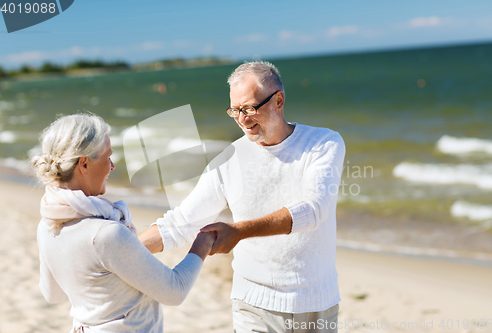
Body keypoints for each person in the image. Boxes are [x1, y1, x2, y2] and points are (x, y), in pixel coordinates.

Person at [139, 61, 346, 333]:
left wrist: (239, 231)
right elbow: (181, 223)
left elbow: (314, 210)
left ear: (279, 100)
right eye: (235, 110)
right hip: (253, 305)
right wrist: (117, 249)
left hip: (318, 305)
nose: (242, 119)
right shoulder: (227, 161)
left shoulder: (323, 144)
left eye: (249, 108)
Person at [32, 114, 216, 333]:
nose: (112, 166)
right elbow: (175, 291)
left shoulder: (47, 226)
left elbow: (53, 294)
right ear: (84, 164)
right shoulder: (105, 234)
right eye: (107, 157)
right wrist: (203, 243)